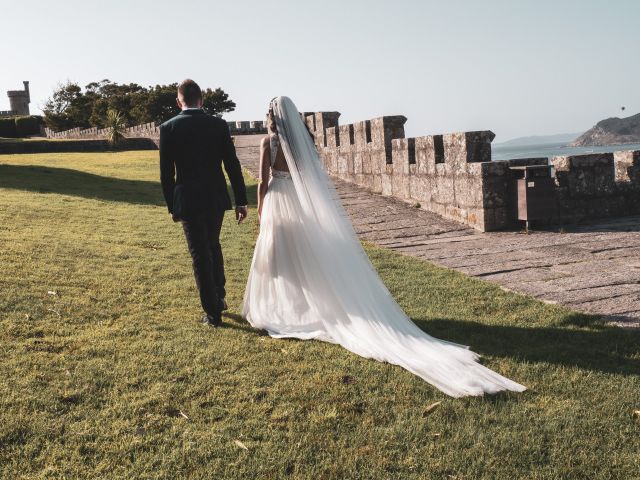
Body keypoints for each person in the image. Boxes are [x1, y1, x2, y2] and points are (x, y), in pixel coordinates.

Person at [242, 96, 526, 397]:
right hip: (299, 204)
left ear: (273, 116)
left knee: (278, 259)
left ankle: (282, 312)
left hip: (278, 201)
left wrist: (261, 210)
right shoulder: (302, 144)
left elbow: (262, 182)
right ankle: (300, 310)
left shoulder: (267, 144)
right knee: (304, 258)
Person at [160, 79, 248, 327]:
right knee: (212, 245)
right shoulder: (218, 125)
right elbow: (232, 165)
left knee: (200, 253)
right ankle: (218, 297)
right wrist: (241, 200)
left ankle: (213, 313)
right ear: (202, 99)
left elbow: (167, 174)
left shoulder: (168, 128)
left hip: (188, 200)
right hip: (215, 197)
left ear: (179, 101)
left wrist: (171, 206)